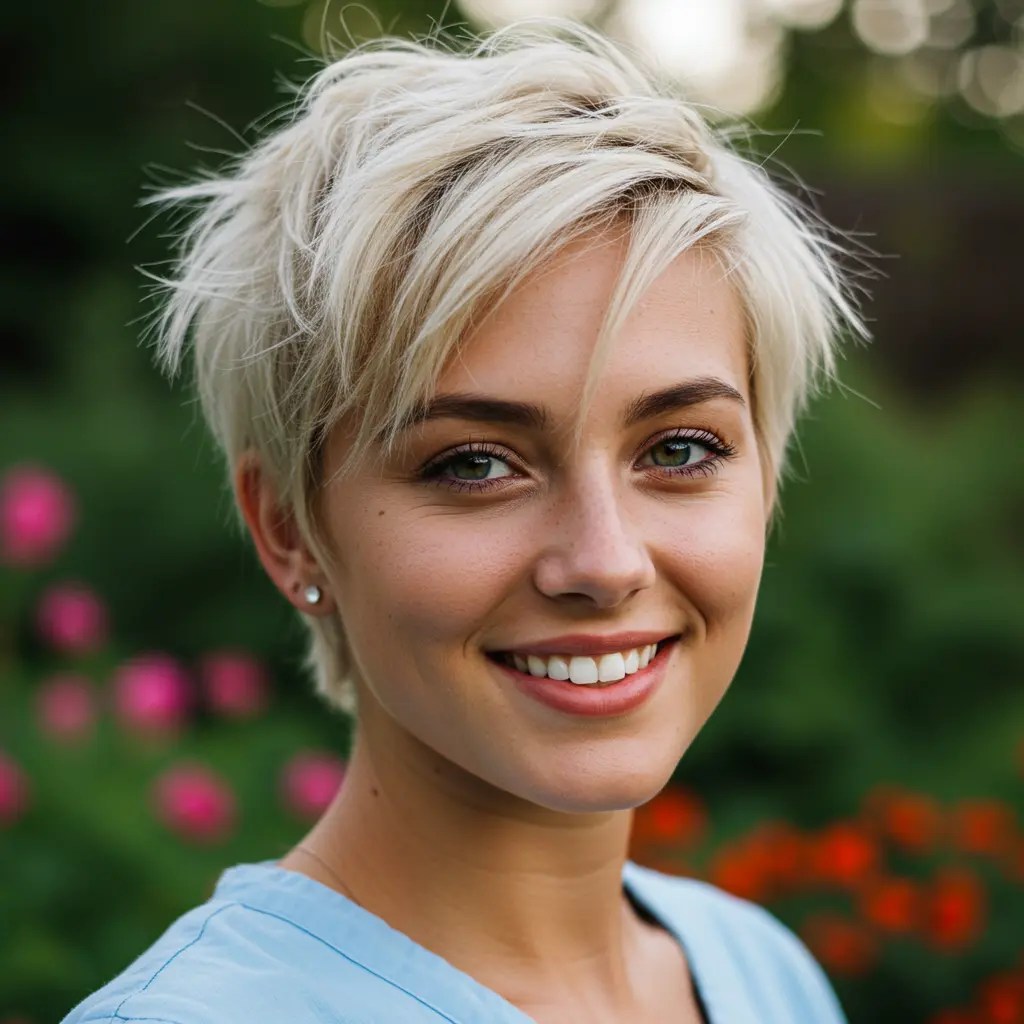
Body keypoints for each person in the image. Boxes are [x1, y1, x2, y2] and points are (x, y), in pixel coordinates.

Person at [63, 18, 866, 1024]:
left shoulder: (762, 975)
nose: (604, 562)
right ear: (288, 529)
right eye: (474, 463)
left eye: (678, 449)